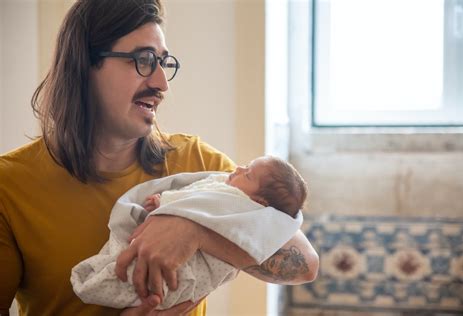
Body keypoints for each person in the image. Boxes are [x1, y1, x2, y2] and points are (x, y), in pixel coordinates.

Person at [0, 0, 319, 315]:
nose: (161, 83)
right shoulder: (9, 186)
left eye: (164, 63)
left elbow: (305, 264)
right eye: (143, 60)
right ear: (84, 64)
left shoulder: (199, 165)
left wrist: (194, 230)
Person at [71, 156, 307, 310]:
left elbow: (308, 266)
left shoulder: (238, 199)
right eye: (246, 164)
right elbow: (202, 197)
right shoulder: (226, 183)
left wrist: (193, 229)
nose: (238, 168)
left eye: (247, 174)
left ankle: (104, 280)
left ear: (259, 201)